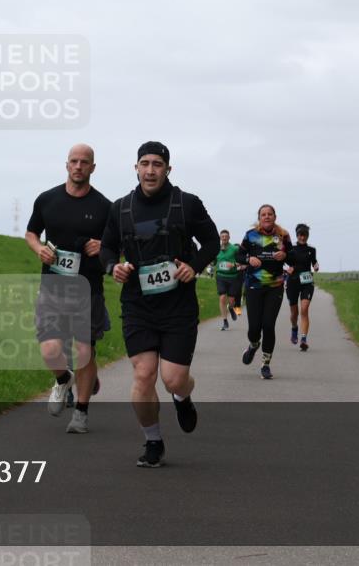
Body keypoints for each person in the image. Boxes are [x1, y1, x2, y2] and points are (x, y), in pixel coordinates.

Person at [100, 141, 220, 467]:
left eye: (157, 164)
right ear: (136, 168)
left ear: (168, 169)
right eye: (144, 163)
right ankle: (153, 442)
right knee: (143, 375)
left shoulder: (187, 204)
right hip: (138, 304)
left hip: (178, 305)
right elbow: (107, 249)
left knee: (173, 378)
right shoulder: (120, 208)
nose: (150, 170)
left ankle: (182, 397)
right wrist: (115, 267)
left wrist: (193, 265)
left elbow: (210, 241)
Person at [25, 144, 111, 434]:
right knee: (50, 350)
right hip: (52, 286)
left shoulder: (104, 207)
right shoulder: (47, 199)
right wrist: (39, 249)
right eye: (74, 161)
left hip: (87, 288)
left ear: (93, 168)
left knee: (84, 350)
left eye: (84, 162)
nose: (78, 166)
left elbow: (117, 248)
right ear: (66, 165)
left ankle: (82, 413)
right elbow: (31, 233)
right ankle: (63, 379)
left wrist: (104, 246)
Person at [236, 205, 292, 379]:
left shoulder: (283, 235)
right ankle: (253, 345)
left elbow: (293, 256)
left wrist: (285, 256)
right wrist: (248, 259)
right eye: (263, 214)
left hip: (274, 286)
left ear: (275, 216)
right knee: (254, 328)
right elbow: (238, 255)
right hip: (254, 285)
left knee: (268, 325)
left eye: (270, 214)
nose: (266, 217)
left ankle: (266, 364)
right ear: (259, 218)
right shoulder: (250, 235)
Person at [285, 223, 319, 351]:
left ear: (308, 236)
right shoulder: (291, 248)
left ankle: (303, 339)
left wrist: (316, 266)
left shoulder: (312, 249)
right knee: (294, 313)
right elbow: (282, 261)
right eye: (300, 235)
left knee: (304, 309)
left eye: (305, 235)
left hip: (307, 282)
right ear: (297, 235)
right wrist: (287, 269)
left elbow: (314, 261)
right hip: (292, 282)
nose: (303, 238)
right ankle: (294, 328)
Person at [213, 229, 240, 331]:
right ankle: (225, 321)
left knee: (231, 300)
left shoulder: (234, 249)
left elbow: (241, 261)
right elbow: (214, 262)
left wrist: (233, 264)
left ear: (229, 237)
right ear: (220, 238)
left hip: (233, 277)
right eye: (222, 236)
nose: (224, 238)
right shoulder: (217, 249)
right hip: (220, 276)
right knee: (222, 297)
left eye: (226, 236)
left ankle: (231, 307)